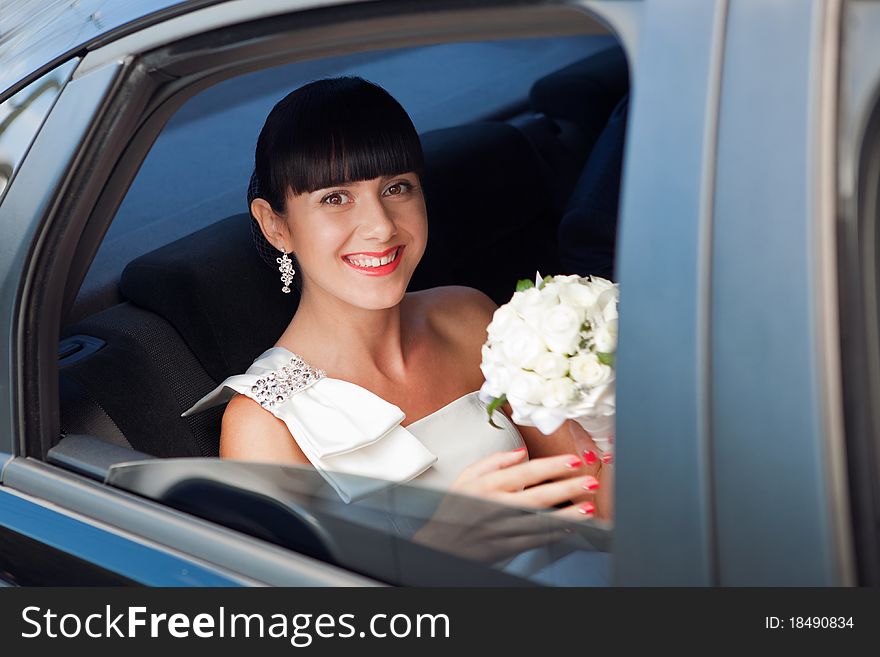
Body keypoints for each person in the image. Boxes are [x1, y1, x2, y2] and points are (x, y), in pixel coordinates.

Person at [183, 77, 612, 531]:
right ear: (276, 227)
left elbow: (599, 505)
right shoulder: (264, 424)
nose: (380, 227)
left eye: (396, 188)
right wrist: (439, 547)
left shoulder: (469, 318)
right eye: (335, 198)